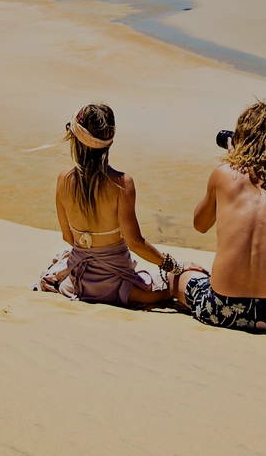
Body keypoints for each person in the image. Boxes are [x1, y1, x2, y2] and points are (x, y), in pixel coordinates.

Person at [174, 100, 266, 332]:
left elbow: (200, 225)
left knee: (179, 276)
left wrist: (232, 162)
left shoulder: (223, 175)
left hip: (220, 309)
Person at [38, 103, 178, 309]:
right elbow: (135, 242)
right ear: (110, 142)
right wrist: (173, 265)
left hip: (76, 281)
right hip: (116, 283)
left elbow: (68, 237)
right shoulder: (122, 184)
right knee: (171, 289)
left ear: (74, 138)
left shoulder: (63, 180)